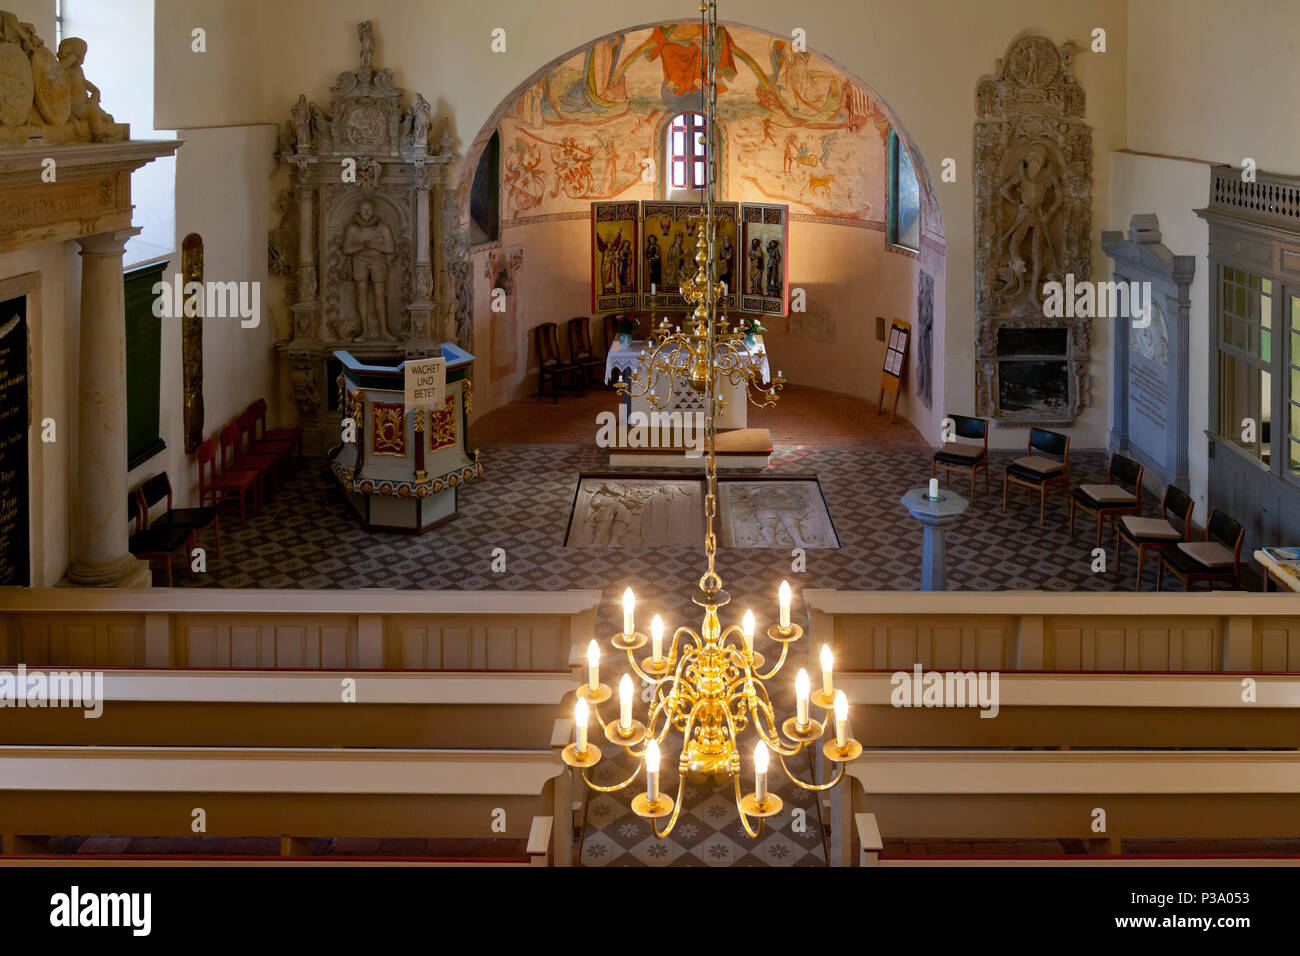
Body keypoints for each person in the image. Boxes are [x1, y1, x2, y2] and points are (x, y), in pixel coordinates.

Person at [342, 200, 397, 339]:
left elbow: (390, 248)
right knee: (361, 294)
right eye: (363, 209)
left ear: (373, 211)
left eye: (369, 209)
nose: (366, 213)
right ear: (359, 211)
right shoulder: (353, 228)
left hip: (378, 261)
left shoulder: (383, 227)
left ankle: (384, 331)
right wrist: (364, 246)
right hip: (359, 261)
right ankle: (365, 332)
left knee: (379, 294)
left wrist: (370, 245)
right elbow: (346, 249)